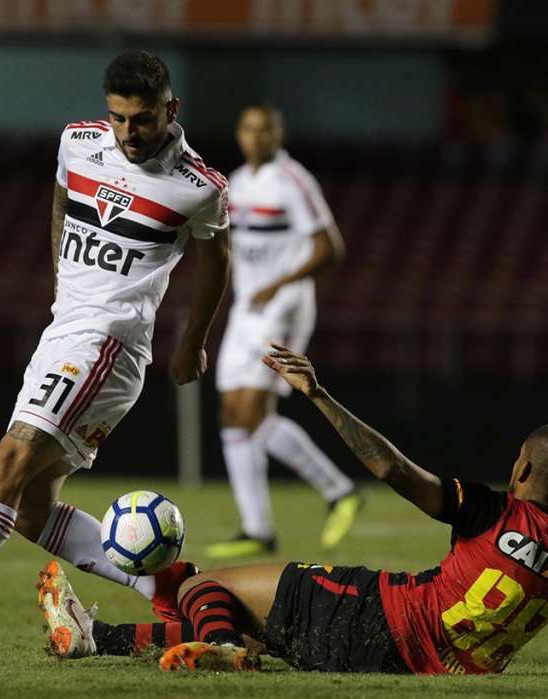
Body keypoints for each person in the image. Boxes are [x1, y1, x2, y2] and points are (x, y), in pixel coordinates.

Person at [0, 50, 231, 654]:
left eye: (142, 119)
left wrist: (192, 342)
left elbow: (216, 262)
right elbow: (61, 198)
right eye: (119, 118)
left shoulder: (199, 187)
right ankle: (166, 585)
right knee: (30, 512)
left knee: (9, 460)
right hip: (64, 333)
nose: (129, 132)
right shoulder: (79, 142)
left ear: (170, 109)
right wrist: (61, 282)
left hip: (108, 344)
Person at [38, 345, 548, 674]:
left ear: (523, 469)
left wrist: (319, 395)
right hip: (413, 664)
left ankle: (224, 648)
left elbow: (392, 469)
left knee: (204, 587)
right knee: (244, 615)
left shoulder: (492, 511)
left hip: (379, 617)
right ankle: (96, 638)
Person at [208, 104, 359, 559]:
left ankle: (337, 490)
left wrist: (277, 283)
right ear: (239, 134)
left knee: (252, 410)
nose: (256, 137)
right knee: (232, 415)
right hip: (247, 307)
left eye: (265, 129)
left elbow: (330, 247)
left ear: (279, 134)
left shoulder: (294, 180)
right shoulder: (236, 182)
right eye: (248, 128)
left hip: (283, 306)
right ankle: (258, 528)